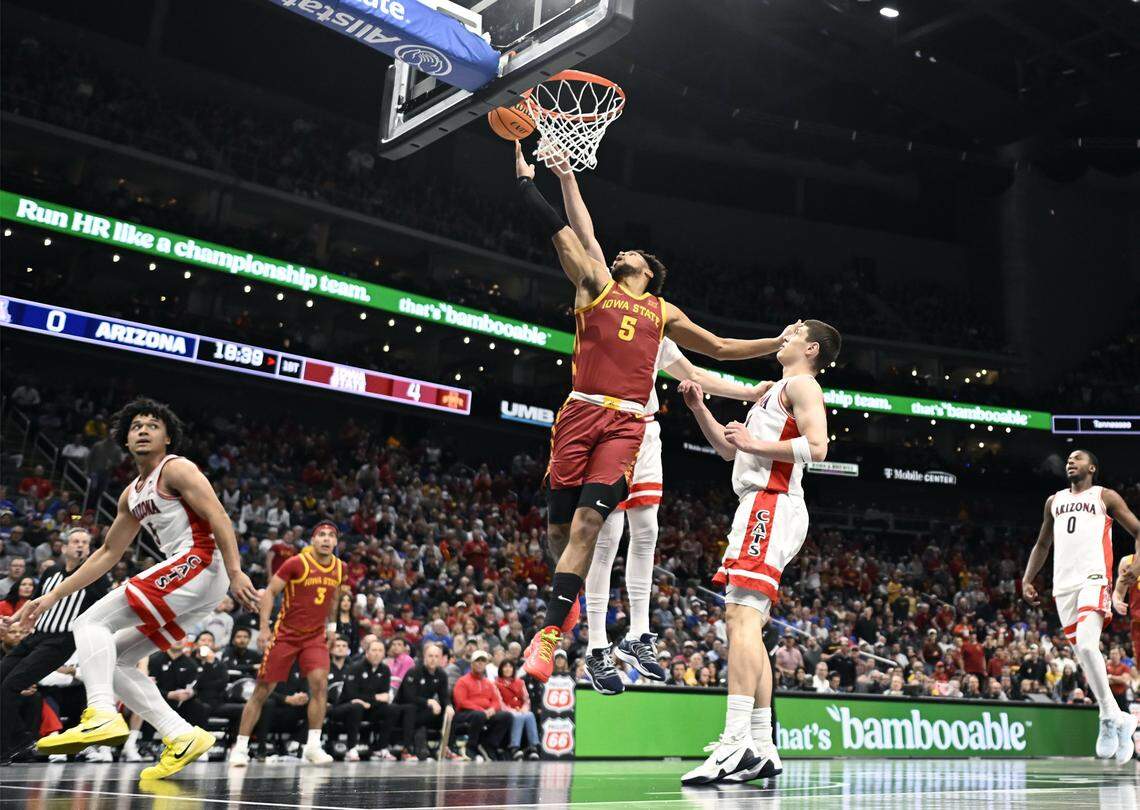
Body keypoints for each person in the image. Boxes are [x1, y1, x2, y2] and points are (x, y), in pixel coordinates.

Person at [512, 144, 796, 683]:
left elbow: (715, 349)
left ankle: (570, 637)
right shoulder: (595, 286)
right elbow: (574, 233)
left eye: (632, 256)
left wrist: (772, 343)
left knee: (603, 525)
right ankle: (570, 608)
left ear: (648, 273)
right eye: (619, 254)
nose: (622, 254)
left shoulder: (662, 314)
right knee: (559, 533)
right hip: (579, 412)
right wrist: (536, 183)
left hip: (628, 425)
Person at [4, 398, 258, 781]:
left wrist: (237, 571)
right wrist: (53, 595)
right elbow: (107, 552)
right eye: (136, 425)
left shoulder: (177, 468)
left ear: (168, 437)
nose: (142, 430)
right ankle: (181, 735)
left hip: (201, 560)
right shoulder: (130, 494)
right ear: (125, 439)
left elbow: (218, 516)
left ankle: (102, 712)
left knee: (88, 623)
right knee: (117, 659)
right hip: (195, 577)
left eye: (153, 425)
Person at [677, 319, 839, 785]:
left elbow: (818, 447)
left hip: (772, 503)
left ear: (810, 349)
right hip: (758, 502)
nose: (783, 336)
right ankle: (763, 747)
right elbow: (731, 453)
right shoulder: (773, 390)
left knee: (739, 620)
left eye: (794, 333)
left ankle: (733, 745)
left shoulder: (804, 384)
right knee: (749, 626)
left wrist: (755, 442)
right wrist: (699, 410)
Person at [1022, 448, 1140, 765]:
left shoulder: (1105, 496)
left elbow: (1139, 530)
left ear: (1092, 467)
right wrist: (1027, 578)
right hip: (1063, 587)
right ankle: (1114, 715)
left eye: (1078, 458)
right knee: (1084, 658)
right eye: (1069, 459)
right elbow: (1042, 543)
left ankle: (1109, 717)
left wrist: (1137, 565)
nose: (1071, 461)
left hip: (1094, 578)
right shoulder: (1054, 501)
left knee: (1088, 647)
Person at [229, 523, 343, 766]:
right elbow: (270, 593)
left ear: (336, 542)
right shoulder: (296, 563)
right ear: (312, 540)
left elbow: (333, 599)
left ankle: (312, 746)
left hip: (314, 636)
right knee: (262, 690)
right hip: (286, 634)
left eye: (331, 536)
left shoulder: (339, 568)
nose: (326, 539)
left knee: (320, 685)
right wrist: (263, 628)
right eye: (321, 534)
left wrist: (332, 628)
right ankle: (240, 747)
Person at [0, 528, 108, 761]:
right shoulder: (51, 571)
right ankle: (10, 745)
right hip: (36, 636)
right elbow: (34, 601)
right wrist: (14, 618)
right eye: (75, 541)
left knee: (10, 685)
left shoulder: (96, 575)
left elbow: (103, 607)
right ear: (65, 547)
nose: (79, 545)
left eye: (84, 542)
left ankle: (18, 740)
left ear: (89, 549)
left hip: (61, 641)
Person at [393, 642, 456, 760]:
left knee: (449, 713)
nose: (433, 659)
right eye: (430, 656)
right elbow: (408, 697)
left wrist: (448, 706)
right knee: (411, 709)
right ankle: (407, 749)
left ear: (441, 659)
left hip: (422, 712)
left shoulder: (441, 674)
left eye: (436, 656)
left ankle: (447, 748)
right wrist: (429, 702)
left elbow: (444, 696)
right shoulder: (414, 671)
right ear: (424, 657)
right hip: (402, 711)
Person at [452, 650, 512, 760]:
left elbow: (496, 701)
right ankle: (471, 747)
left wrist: (492, 710)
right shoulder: (462, 681)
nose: (480, 663)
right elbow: (461, 701)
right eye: (477, 661)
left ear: (485, 664)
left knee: (506, 716)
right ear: (472, 664)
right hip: (465, 713)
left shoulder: (488, 683)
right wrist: (481, 710)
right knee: (479, 715)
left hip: (485, 713)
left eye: (483, 661)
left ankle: (489, 744)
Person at [325, 636, 366, 760]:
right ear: (331, 649)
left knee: (356, 707)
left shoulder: (353, 668)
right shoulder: (324, 666)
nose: (341, 649)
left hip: (346, 705)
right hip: (328, 706)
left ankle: (352, 748)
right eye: (337, 646)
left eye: (344, 646)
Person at [495, 659, 539, 759]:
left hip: (521, 709)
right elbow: (499, 702)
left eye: (510, 667)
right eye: (505, 667)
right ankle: (514, 747)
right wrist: (513, 710)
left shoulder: (520, 682)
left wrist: (524, 708)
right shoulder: (497, 683)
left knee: (530, 715)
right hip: (507, 710)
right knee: (518, 716)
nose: (507, 669)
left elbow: (526, 699)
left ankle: (533, 746)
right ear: (501, 669)